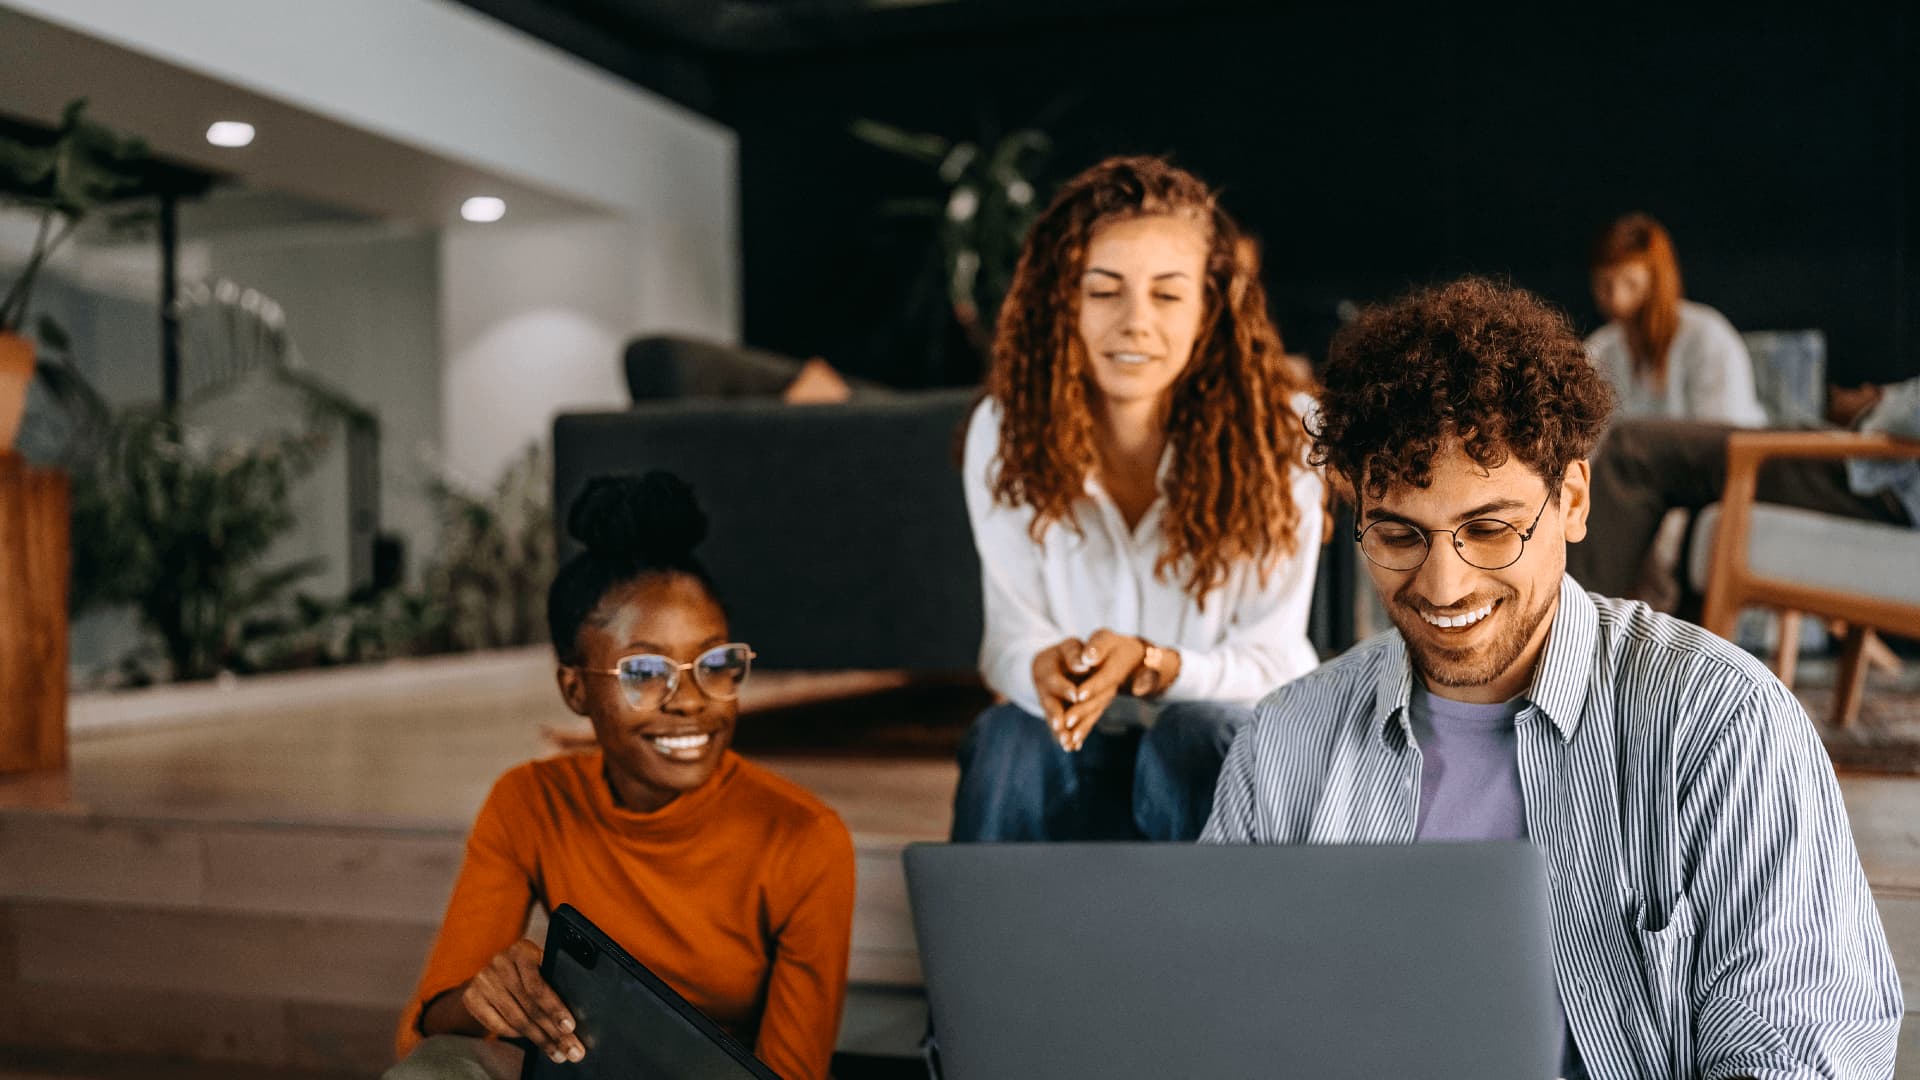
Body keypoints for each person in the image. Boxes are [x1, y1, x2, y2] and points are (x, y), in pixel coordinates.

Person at [1203, 277, 1900, 1077]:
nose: (1442, 586)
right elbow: (1225, 1026)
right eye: (1398, 535)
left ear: (1571, 500)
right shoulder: (1287, 739)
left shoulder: (1723, 724)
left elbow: (1799, 1049)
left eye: (1489, 530)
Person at [386, 472, 856, 1080]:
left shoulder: (804, 839)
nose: (691, 700)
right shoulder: (529, 802)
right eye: (644, 673)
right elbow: (421, 1038)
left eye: (714, 663)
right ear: (575, 689)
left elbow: (790, 1076)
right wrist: (484, 995)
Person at [953, 155, 1324, 843]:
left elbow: (1274, 659)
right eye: (1103, 291)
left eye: (1167, 293)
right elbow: (1008, 636)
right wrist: (1040, 666)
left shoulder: (1283, 436)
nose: (1134, 322)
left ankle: (1229, 949)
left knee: (1189, 734)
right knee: (1009, 736)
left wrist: (1157, 667)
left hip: (1215, 758)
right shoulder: (1005, 432)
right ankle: (999, 949)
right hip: (1077, 749)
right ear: (1063, 298)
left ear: (1210, 307)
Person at [1567, 375, 1920, 600]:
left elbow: (1906, 418)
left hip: (1878, 479)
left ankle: (1561, 643)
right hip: (1872, 469)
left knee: (1635, 449)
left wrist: (1876, 403)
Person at [1586, 213, 1767, 427]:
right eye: (1604, 285)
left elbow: (1723, 439)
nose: (1616, 299)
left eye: (1631, 283)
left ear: (1657, 282)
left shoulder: (1707, 338)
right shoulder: (1599, 350)